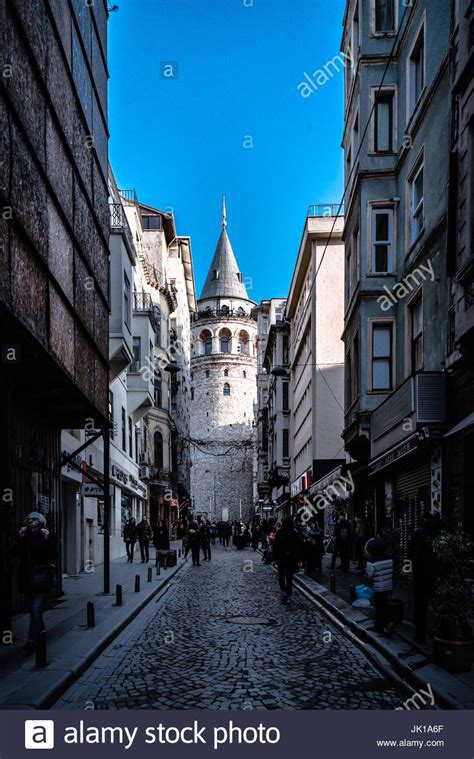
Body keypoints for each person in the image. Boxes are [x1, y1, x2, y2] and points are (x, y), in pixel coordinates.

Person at [12, 512, 58, 654]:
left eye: (35, 525)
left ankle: (32, 641)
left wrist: (47, 538)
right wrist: (19, 538)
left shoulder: (47, 535)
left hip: (42, 578)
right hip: (27, 579)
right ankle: (41, 633)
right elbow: (15, 553)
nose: (32, 528)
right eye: (30, 525)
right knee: (33, 611)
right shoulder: (24, 538)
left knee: (36, 609)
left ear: (40, 525)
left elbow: (54, 554)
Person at [408, 512, 442, 643]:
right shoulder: (441, 534)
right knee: (439, 604)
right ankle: (440, 632)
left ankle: (420, 635)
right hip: (438, 575)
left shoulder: (418, 534)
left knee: (420, 606)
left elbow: (412, 554)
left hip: (421, 575)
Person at [365, 535, 394, 634]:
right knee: (384, 605)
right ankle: (386, 623)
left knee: (378, 607)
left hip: (378, 588)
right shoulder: (390, 559)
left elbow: (369, 576)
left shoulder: (371, 562)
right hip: (388, 587)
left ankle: (381, 626)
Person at [273, 517, 302, 603]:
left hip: (281, 558)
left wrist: (275, 558)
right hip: (291, 558)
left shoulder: (279, 533)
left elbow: (275, 547)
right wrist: (299, 558)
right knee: (289, 576)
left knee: (281, 575)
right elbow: (298, 547)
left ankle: (284, 591)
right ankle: (288, 591)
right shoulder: (294, 533)